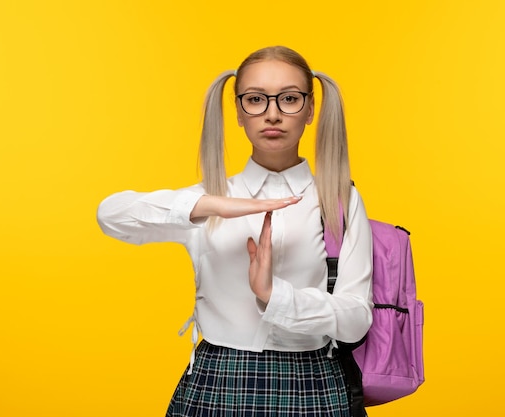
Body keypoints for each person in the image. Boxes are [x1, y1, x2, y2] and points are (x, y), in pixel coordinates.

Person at [97, 45, 373, 417]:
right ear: (239, 112)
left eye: (289, 99)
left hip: (313, 383)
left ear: (310, 109)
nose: (272, 114)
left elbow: (356, 320)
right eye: (256, 100)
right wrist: (209, 205)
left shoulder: (340, 200)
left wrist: (275, 297)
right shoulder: (209, 199)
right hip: (220, 381)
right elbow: (111, 215)